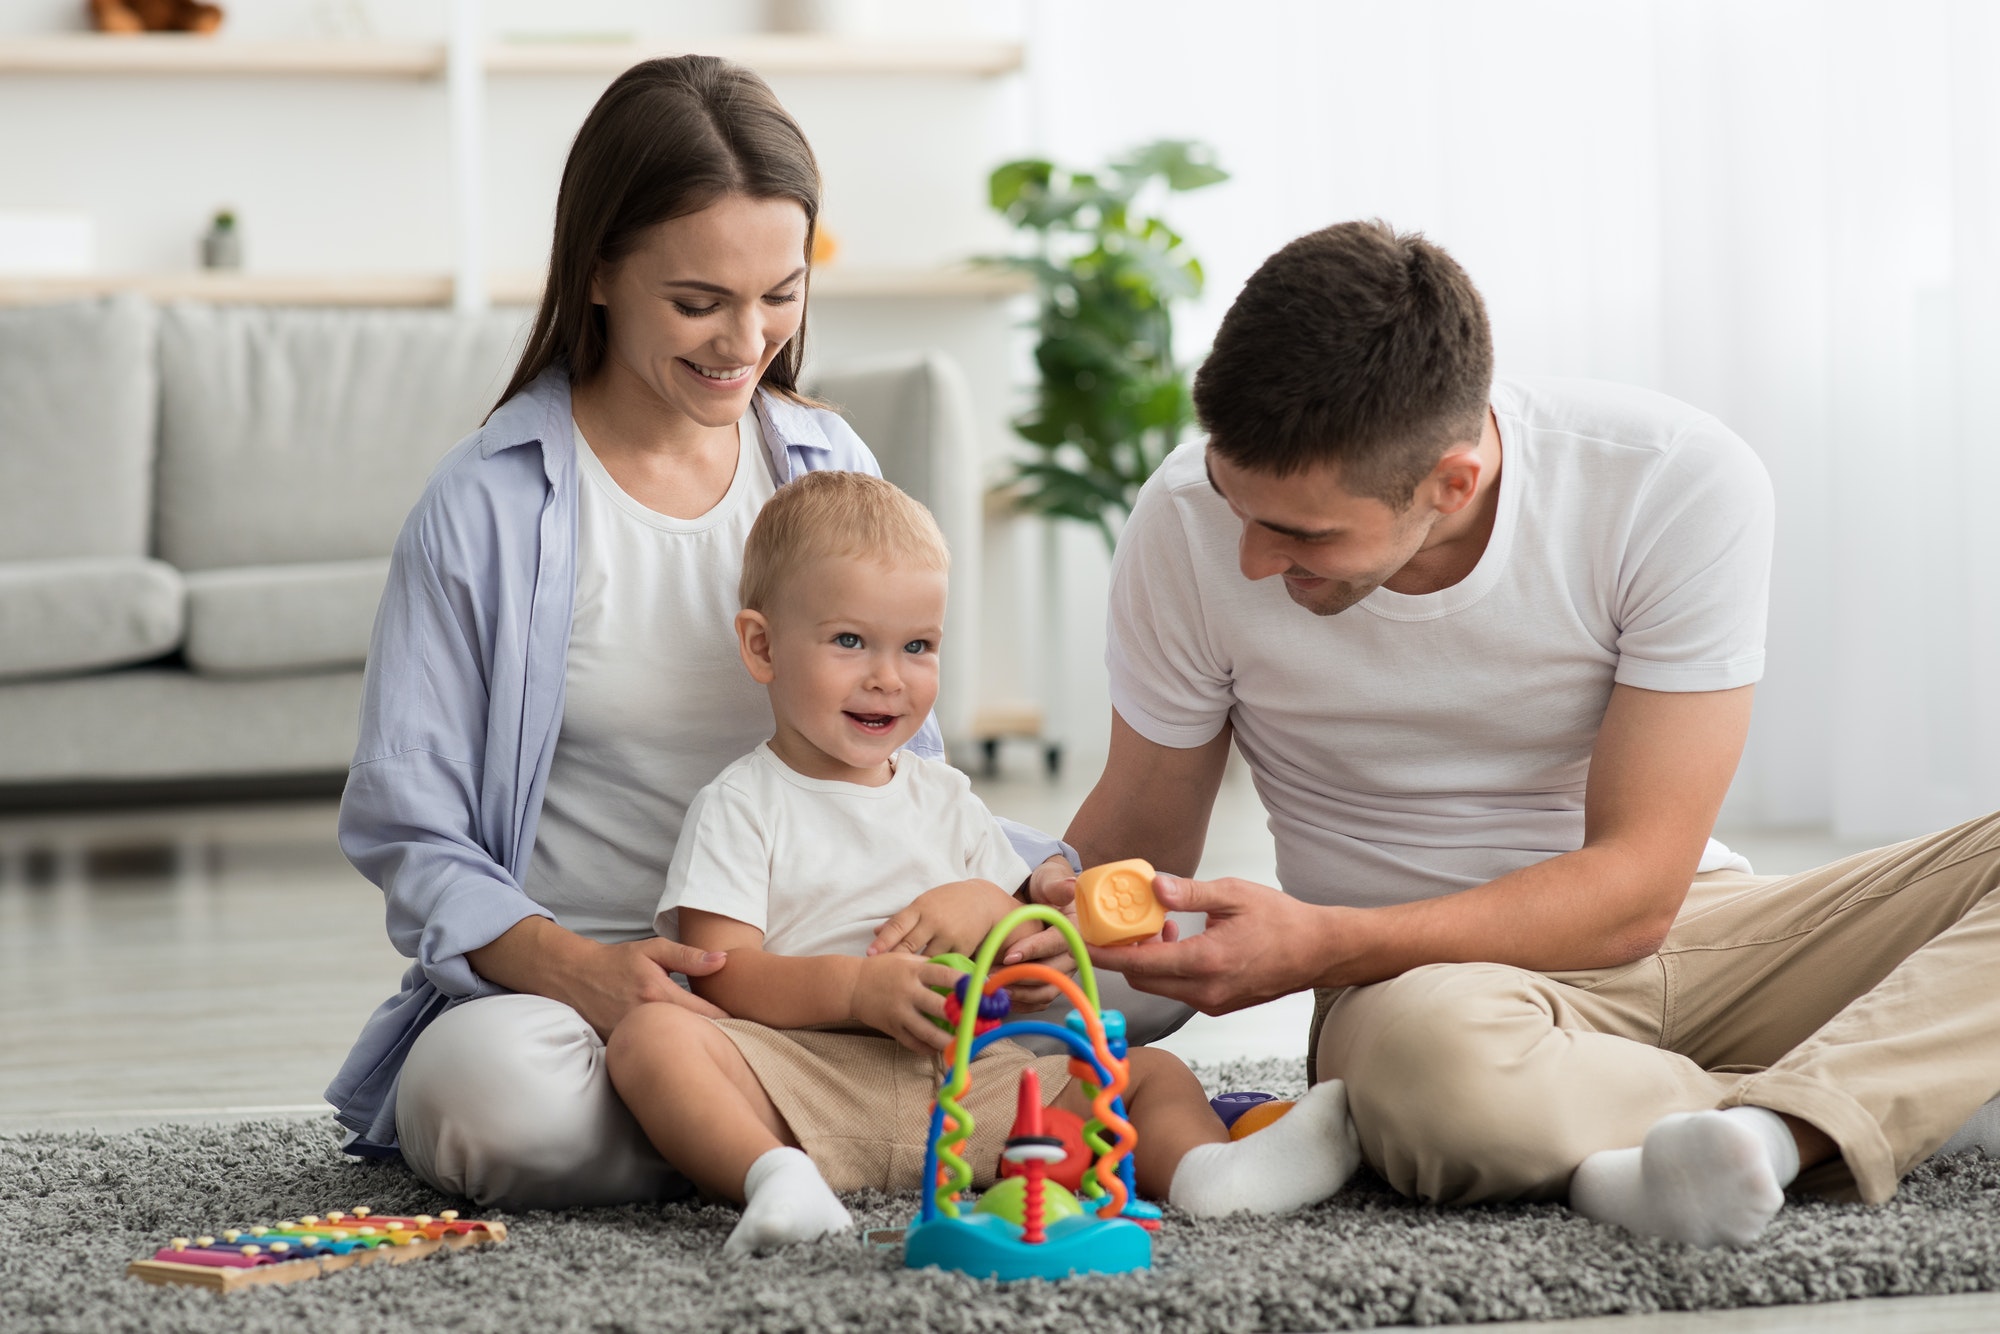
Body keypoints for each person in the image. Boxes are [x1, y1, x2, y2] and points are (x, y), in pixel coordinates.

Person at [1059, 219, 2000, 1247]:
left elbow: (1637, 891)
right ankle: (1891, 1092)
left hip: (1694, 932)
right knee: (1442, 1086)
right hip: (1420, 997)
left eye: (1299, 532)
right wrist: (1026, 916)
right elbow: (1132, 843)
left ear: (1449, 483)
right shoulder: (1183, 522)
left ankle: (1784, 1128)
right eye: (1238, 505)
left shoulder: (1668, 479)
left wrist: (1317, 940)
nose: (1247, 557)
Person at [323, 56, 1078, 1209]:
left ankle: (754, 1129)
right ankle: (856, 1122)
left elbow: (896, 769)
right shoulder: (486, 502)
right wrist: (586, 972)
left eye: (780, 293)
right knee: (491, 1100)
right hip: (597, 988)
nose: (747, 339)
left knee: (1110, 952)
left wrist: (1029, 885)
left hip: (834, 965)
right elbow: (410, 829)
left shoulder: (827, 461)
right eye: (698, 302)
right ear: (598, 273)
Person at [615, 470, 1356, 1255]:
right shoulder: (742, 803)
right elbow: (722, 974)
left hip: (974, 1096)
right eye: (848, 641)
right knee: (652, 1039)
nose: (887, 676)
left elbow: (1031, 968)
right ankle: (774, 1180)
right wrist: (859, 990)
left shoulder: (948, 799)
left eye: (918, 647)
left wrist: (1014, 920)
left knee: (1148, 1072)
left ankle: (1210, 1173)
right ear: (761, 646)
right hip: (809, 1089)